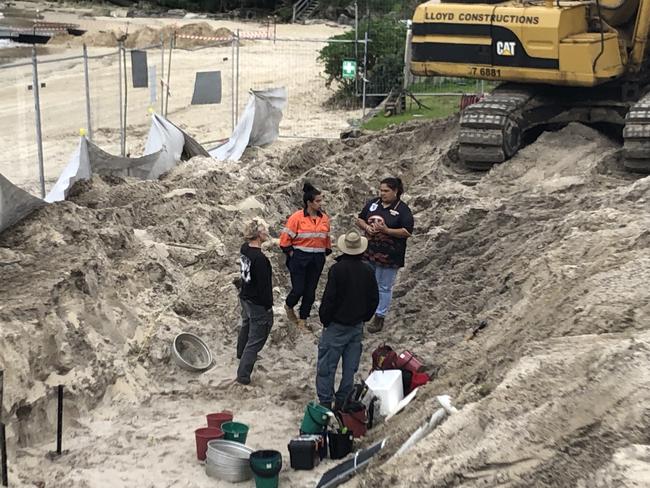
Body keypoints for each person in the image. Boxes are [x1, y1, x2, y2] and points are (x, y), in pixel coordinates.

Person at [316, 229, 379, 410]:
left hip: (336, 325)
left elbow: (329, 298)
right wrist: (364, 317)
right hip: (356, 326)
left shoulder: (337, 270)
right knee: (349, 368)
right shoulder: (367, 270)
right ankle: (343, 401)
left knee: (327, 367)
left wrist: (325, 320)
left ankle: (326, 402)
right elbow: (374, 298)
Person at [356, 177, 414, 333]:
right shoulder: (374, 203)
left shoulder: (402, 209)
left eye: (386, 191)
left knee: (384, 287)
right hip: (369, 251)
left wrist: (386, 230)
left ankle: (379, 317)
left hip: (390, 255)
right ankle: (362, 313)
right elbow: (360, 219)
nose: (382, 193)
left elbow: (407, 231)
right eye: (381, 190)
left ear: (396, 191)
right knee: (366, 284)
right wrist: (367, 227)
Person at [279, 182, 332, 330]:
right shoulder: (297, 218)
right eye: (318, 201)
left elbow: (326, 237)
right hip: (299, 259)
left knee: (310, 291)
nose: (321, 203)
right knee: (298, 289)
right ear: (309, 202)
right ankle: (289, 305)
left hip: (317, 259)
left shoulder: (325, 219)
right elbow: (285, 240)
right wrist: (292, 254)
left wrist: (326, 250)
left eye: (321, 200)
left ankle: (303, 318)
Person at [236, 218, 274, 385]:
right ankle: (243, 375)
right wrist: (268, 306)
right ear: (258, 234)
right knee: (256, 338)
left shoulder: (245, 250)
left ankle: (240, 353)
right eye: (265, 230)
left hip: (245, 296)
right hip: (258, 302)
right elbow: (265, 288)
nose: (268, 232)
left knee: (246, 325)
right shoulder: (261, 260)